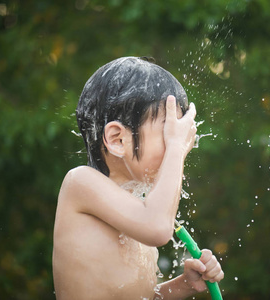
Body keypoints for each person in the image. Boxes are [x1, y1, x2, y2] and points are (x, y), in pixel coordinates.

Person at [52, 57, 224, 299]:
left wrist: (184, 284)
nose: (181, 148)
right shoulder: (80, 184)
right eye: (168, 133)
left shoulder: (139, 212)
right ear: (117, 140)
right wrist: (175, 148)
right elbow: (157, 228)